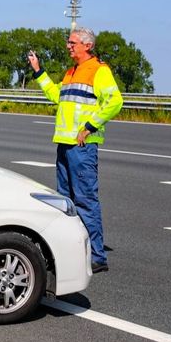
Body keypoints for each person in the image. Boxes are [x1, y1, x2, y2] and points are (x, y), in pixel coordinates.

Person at [27, 26, 123, 274]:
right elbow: (57, 96)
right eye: (68, 42)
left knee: (85, 201)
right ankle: (73, 252)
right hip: (65, 145)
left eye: (72, 43)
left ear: (87, 45)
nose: (68, 46)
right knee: (65, 201)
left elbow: (115, 101)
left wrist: (90, 126)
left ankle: (97, 256)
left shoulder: (98, 71)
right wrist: (39, 71)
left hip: (82, 147)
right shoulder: (72, 72)